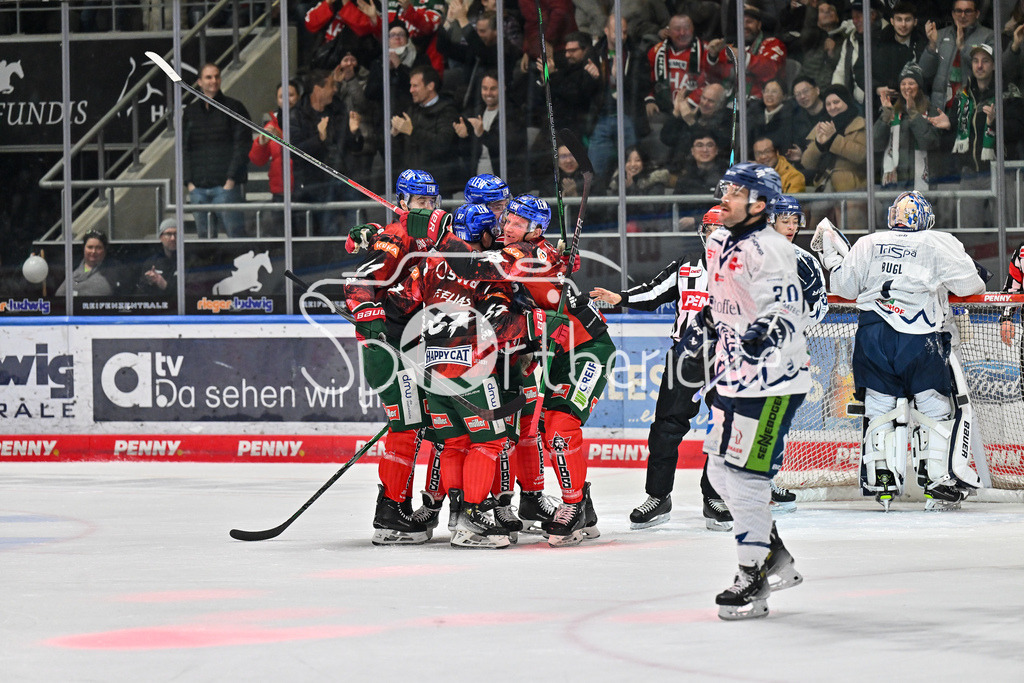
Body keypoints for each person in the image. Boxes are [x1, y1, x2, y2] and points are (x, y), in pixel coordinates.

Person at [689, 162, 821, 620]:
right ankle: (772, 553)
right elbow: (725, 297)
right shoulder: (720, 241)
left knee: (745, 475)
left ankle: (752, 575)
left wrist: (764, 332)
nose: (724, 197)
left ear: (759, 204)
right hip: (732, 377)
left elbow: (786, 308)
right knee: (720, 473)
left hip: (772, 383)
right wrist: (709, 321)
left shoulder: (772, 249)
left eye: (735, 192)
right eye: (724, 189)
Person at [824, 191, 987, 511]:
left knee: (879, 409)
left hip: (872, 336)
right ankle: (937, 480)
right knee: (934, 409)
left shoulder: (869, 242)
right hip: (921, 338)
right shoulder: (937, 241)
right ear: (925, 218)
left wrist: (833, 259)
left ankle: (881, 480)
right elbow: (970, 285)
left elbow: (841, 287)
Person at [590, 206, 720, 529]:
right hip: (684, 358)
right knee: (665, 428)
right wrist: (619, 298)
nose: (717, 238)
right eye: (711, 232)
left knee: (725, 427)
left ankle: (715, 495)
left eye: (724, 232)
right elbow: (653, 292)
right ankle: (658, 496)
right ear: (702, 235)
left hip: (726, 359)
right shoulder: (687, 267)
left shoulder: (745, 269)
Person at [342, 168, 449, 545]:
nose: (428, 207)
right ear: (403, 202)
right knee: (406, 428)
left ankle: (395, 505)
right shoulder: (396, 236)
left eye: (432, 201)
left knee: (418, 425)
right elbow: (359, 284)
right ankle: (390, 511)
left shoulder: (427, 234)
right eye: (421, 201)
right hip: (387, 347)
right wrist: (372, 323)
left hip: (410, 345)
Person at [182, 63, 250, 239]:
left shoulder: (235, 108)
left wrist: (231, 180)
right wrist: (189, 182)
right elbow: (184, 148)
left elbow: (242, 145)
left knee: (236, 239)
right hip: (198, 188)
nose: (214, 81)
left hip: (226, 187)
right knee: (204, 241)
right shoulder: (190, 112)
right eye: (209, 77)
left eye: (217, 76)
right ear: (199, 82)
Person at [391, 66, 461, 196]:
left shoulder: (447, 111)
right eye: (410, 86)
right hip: (412, 186)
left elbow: (442, 144)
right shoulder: (412, 110)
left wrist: (412, 131)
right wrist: (395, 135)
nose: (411, 90)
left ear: (430, 86)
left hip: (437, 187)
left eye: (415, 86)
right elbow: (402, 150)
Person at [874, 61, 942, 190]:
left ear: (919, 86)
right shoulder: (892, 111)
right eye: (903, 83)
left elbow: (930, 142)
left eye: (911, 83)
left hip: (921, 188)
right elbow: (875, 144)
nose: (907, 87)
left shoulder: (932, 111)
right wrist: (885, 116)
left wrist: (914, 115)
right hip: (893, 188)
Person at [919, 0, 994, 110]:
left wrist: (963, 48)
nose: (962, 16)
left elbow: (989, 71)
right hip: (940, 108)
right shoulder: (940, 35)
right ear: (953, 14)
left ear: (977, 14)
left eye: (967, 11)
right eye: (958, 11)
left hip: (970, 109)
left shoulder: (988, 36)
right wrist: (932, 45)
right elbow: (924, 72)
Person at [248, 81, 301, 237]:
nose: (286, 100)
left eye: (290, 95)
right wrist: (261, 143)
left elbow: (303, 149)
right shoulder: (272, 125)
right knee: (281, 237)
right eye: (281, 96)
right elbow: (257, 160)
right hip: (280, 192)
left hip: (302, 189)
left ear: (298, 97)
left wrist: (281, 137)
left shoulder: (305, 120)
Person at [55, 231, 123, 297]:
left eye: (98, 248)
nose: (93, 251)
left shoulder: (114, 271)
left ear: (105, 250)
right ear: (84, 248)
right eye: (90, 247)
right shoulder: (71, 270)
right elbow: (59, 296)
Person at [135, 218, 178, 297]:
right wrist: (149, 283)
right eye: (168, 234)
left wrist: (165, 285)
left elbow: (193, 293)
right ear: (161, 237)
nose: (173, 238)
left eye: (176, 234)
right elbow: (140, 294)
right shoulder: (151, 262)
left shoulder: (189, 261)